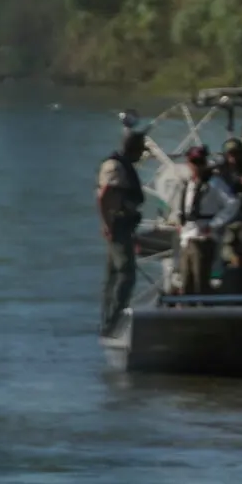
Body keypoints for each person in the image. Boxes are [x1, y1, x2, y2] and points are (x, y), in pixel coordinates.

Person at [96, 130, 149, 335]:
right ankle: (113, 322)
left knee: (114, 275)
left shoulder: (122, 165)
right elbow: (104, 196)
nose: (142, 154)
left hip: (122, 225)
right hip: (118, 226)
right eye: (141, 149)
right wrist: (107, 224)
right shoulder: (116, 167)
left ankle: (108, 322)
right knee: (125, 274)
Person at [176, 145, 237, 294]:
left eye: (200, 162)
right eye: (194, 162)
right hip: (187, 237)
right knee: (186, 279)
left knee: (200, 280)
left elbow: (233, 203)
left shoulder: (214, 183)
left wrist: (214, 224)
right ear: (188, 163)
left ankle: (201, 304)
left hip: (203, 238)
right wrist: (180, 224)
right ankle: (187, 304)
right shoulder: (189, 184)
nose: (197, 166)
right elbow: (184, 208)